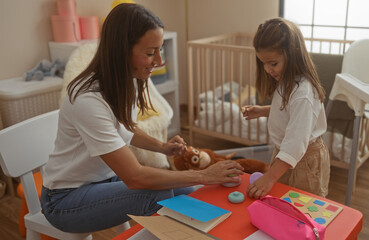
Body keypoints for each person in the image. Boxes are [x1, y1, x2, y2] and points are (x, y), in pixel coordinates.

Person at [40, 3, 243, 233]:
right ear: (122, 52)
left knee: (189, 193)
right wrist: (204, 175)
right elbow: (136, 177)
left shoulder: (126, 81)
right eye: (150, 53)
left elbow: (123, 127)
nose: (159, 61)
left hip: (105, 180)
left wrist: (162, 147)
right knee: (158, 192)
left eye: (159, 50)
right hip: (64, 201)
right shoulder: (87, 100)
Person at [243, 18, 330, 199]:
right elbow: (288, 111)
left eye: (273, 63)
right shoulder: (286, 80)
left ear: (293, 54)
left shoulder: (304, 92)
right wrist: (262, 111)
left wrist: (269, 177)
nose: (267, 69)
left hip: (303, 159)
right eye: (263, 63)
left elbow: (296, 143)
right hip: (286, 156)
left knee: (304, 208)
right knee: (283, 203)